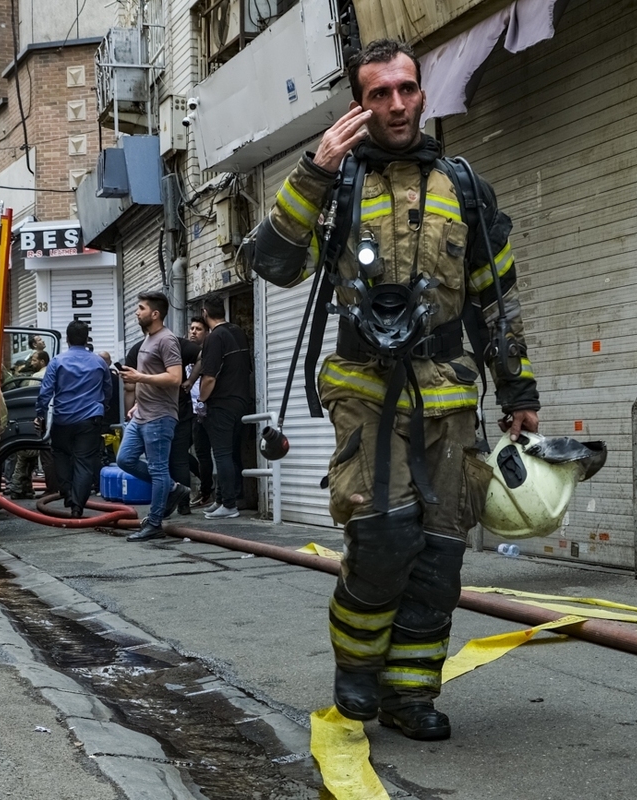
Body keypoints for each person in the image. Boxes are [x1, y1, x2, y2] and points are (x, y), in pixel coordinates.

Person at [240, 39, 541, 741]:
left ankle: (410, 695)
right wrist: (315, 171)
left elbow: (497, 298)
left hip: (449, 395)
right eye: (380, 93)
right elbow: (272, 263)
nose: (397, 104)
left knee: (440, 554)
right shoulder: (334, 184)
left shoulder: (464, 186)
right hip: (365, 390)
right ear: (359, 104)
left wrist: (518, 389)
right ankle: (357, 669)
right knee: (380, 538)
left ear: (423, 93)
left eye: (406, 88)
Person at [116, 291, 188, 542]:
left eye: (141, 308)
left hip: (159, 416)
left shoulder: (166, 340)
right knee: (124, 459)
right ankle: (173, 488)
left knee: (158, 470)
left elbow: (175, 378)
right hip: (141, 414)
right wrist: (137, 402)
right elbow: (151, 377)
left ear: (155, 314)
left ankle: (154, 523)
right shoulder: (148, 339)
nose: (137, 312)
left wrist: (139, 377)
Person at [35, 321, 111, 518]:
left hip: (63, 420)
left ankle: (68, 493)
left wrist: (40, 415)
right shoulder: (99, 363)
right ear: (87, 339)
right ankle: (77, 506)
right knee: (84, 462)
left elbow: (45, 392)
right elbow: (107, 390)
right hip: (90, 420)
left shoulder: (57, 362)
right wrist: (102, 408)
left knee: (60, 454)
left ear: (67, 339)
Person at [197, 295, 253, 519]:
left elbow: (209, 377)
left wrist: (201, 400)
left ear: (205, 313)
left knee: (221, 454)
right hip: (241, 401)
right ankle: (223, 499)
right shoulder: (237, 332)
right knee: (231, 453)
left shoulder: (214, 337)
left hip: (222, 403)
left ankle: (229, 505)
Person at [186, 317, 213, 508]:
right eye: (192, 328)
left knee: (205, 453)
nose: (194, 332)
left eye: (199, 329)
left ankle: (207, 492)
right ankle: (206, 486)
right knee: (180, 451)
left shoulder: (210, 354)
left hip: (205, 410)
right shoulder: (185, 354)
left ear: (207, 333)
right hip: (189, 411)